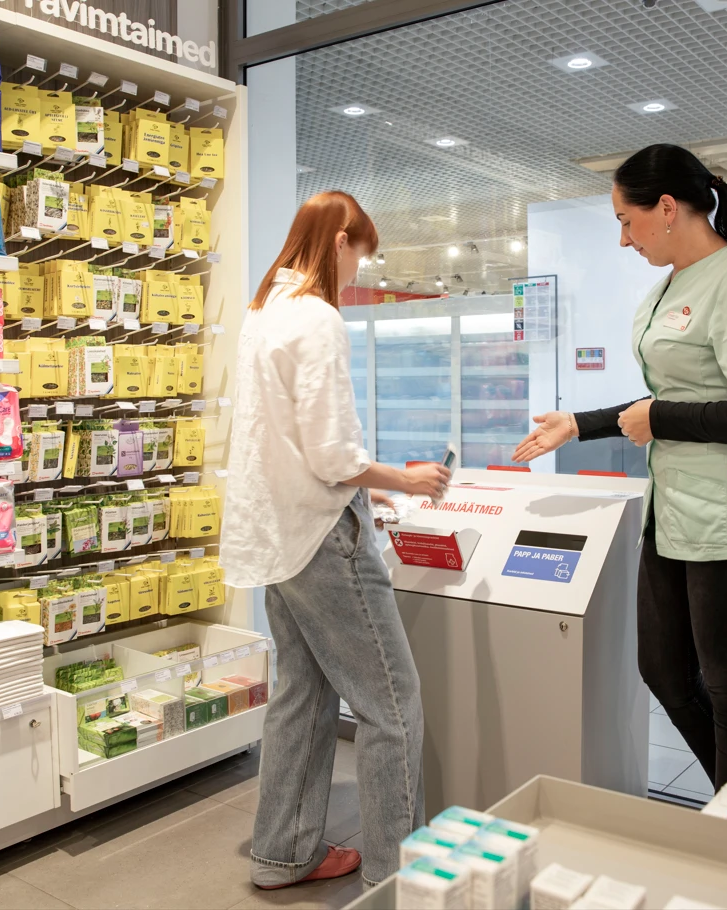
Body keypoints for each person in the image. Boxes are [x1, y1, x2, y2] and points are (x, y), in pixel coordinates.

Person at [512, 144, 727, 791]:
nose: (623, 239)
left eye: (626, 220)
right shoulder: (669, 287)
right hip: (676, 516)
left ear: (667, 208)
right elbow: (671, 397)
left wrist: (661, 418)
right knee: (666, 673)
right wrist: (578, 422)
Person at [222, 191, 450, 889]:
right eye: (360, 256)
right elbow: (332, 455)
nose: (357, 273)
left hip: (277, 534)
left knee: (303, 693)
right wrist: (402, 479)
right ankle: (393, 877)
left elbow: (280, 440)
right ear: (342, 238)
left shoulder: (264, 311)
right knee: (393, 705)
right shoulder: (317, 317)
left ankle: (280, 854)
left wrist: (362, 488)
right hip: (324, 540)